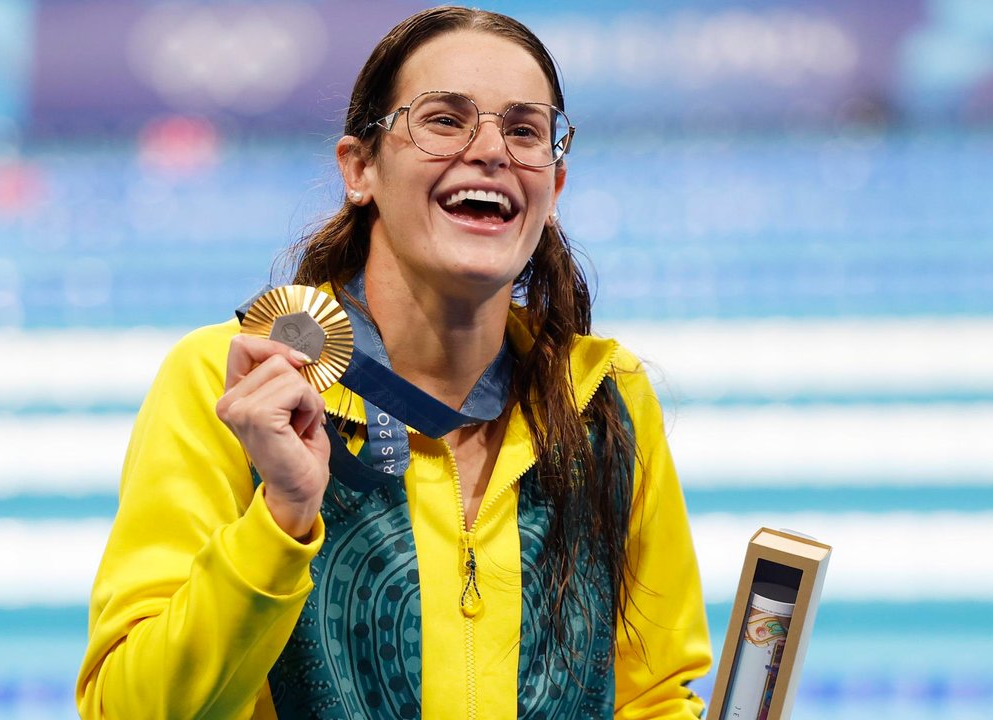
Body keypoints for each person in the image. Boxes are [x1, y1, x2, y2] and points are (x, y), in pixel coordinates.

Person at [76, 6, 711, 719]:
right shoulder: (235, 383)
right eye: (444, 120)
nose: (492, 150)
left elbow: (654, 697)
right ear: (359, 168)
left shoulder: (603, 401)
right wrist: (281, 518)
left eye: (524, 130)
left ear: (552, 191)